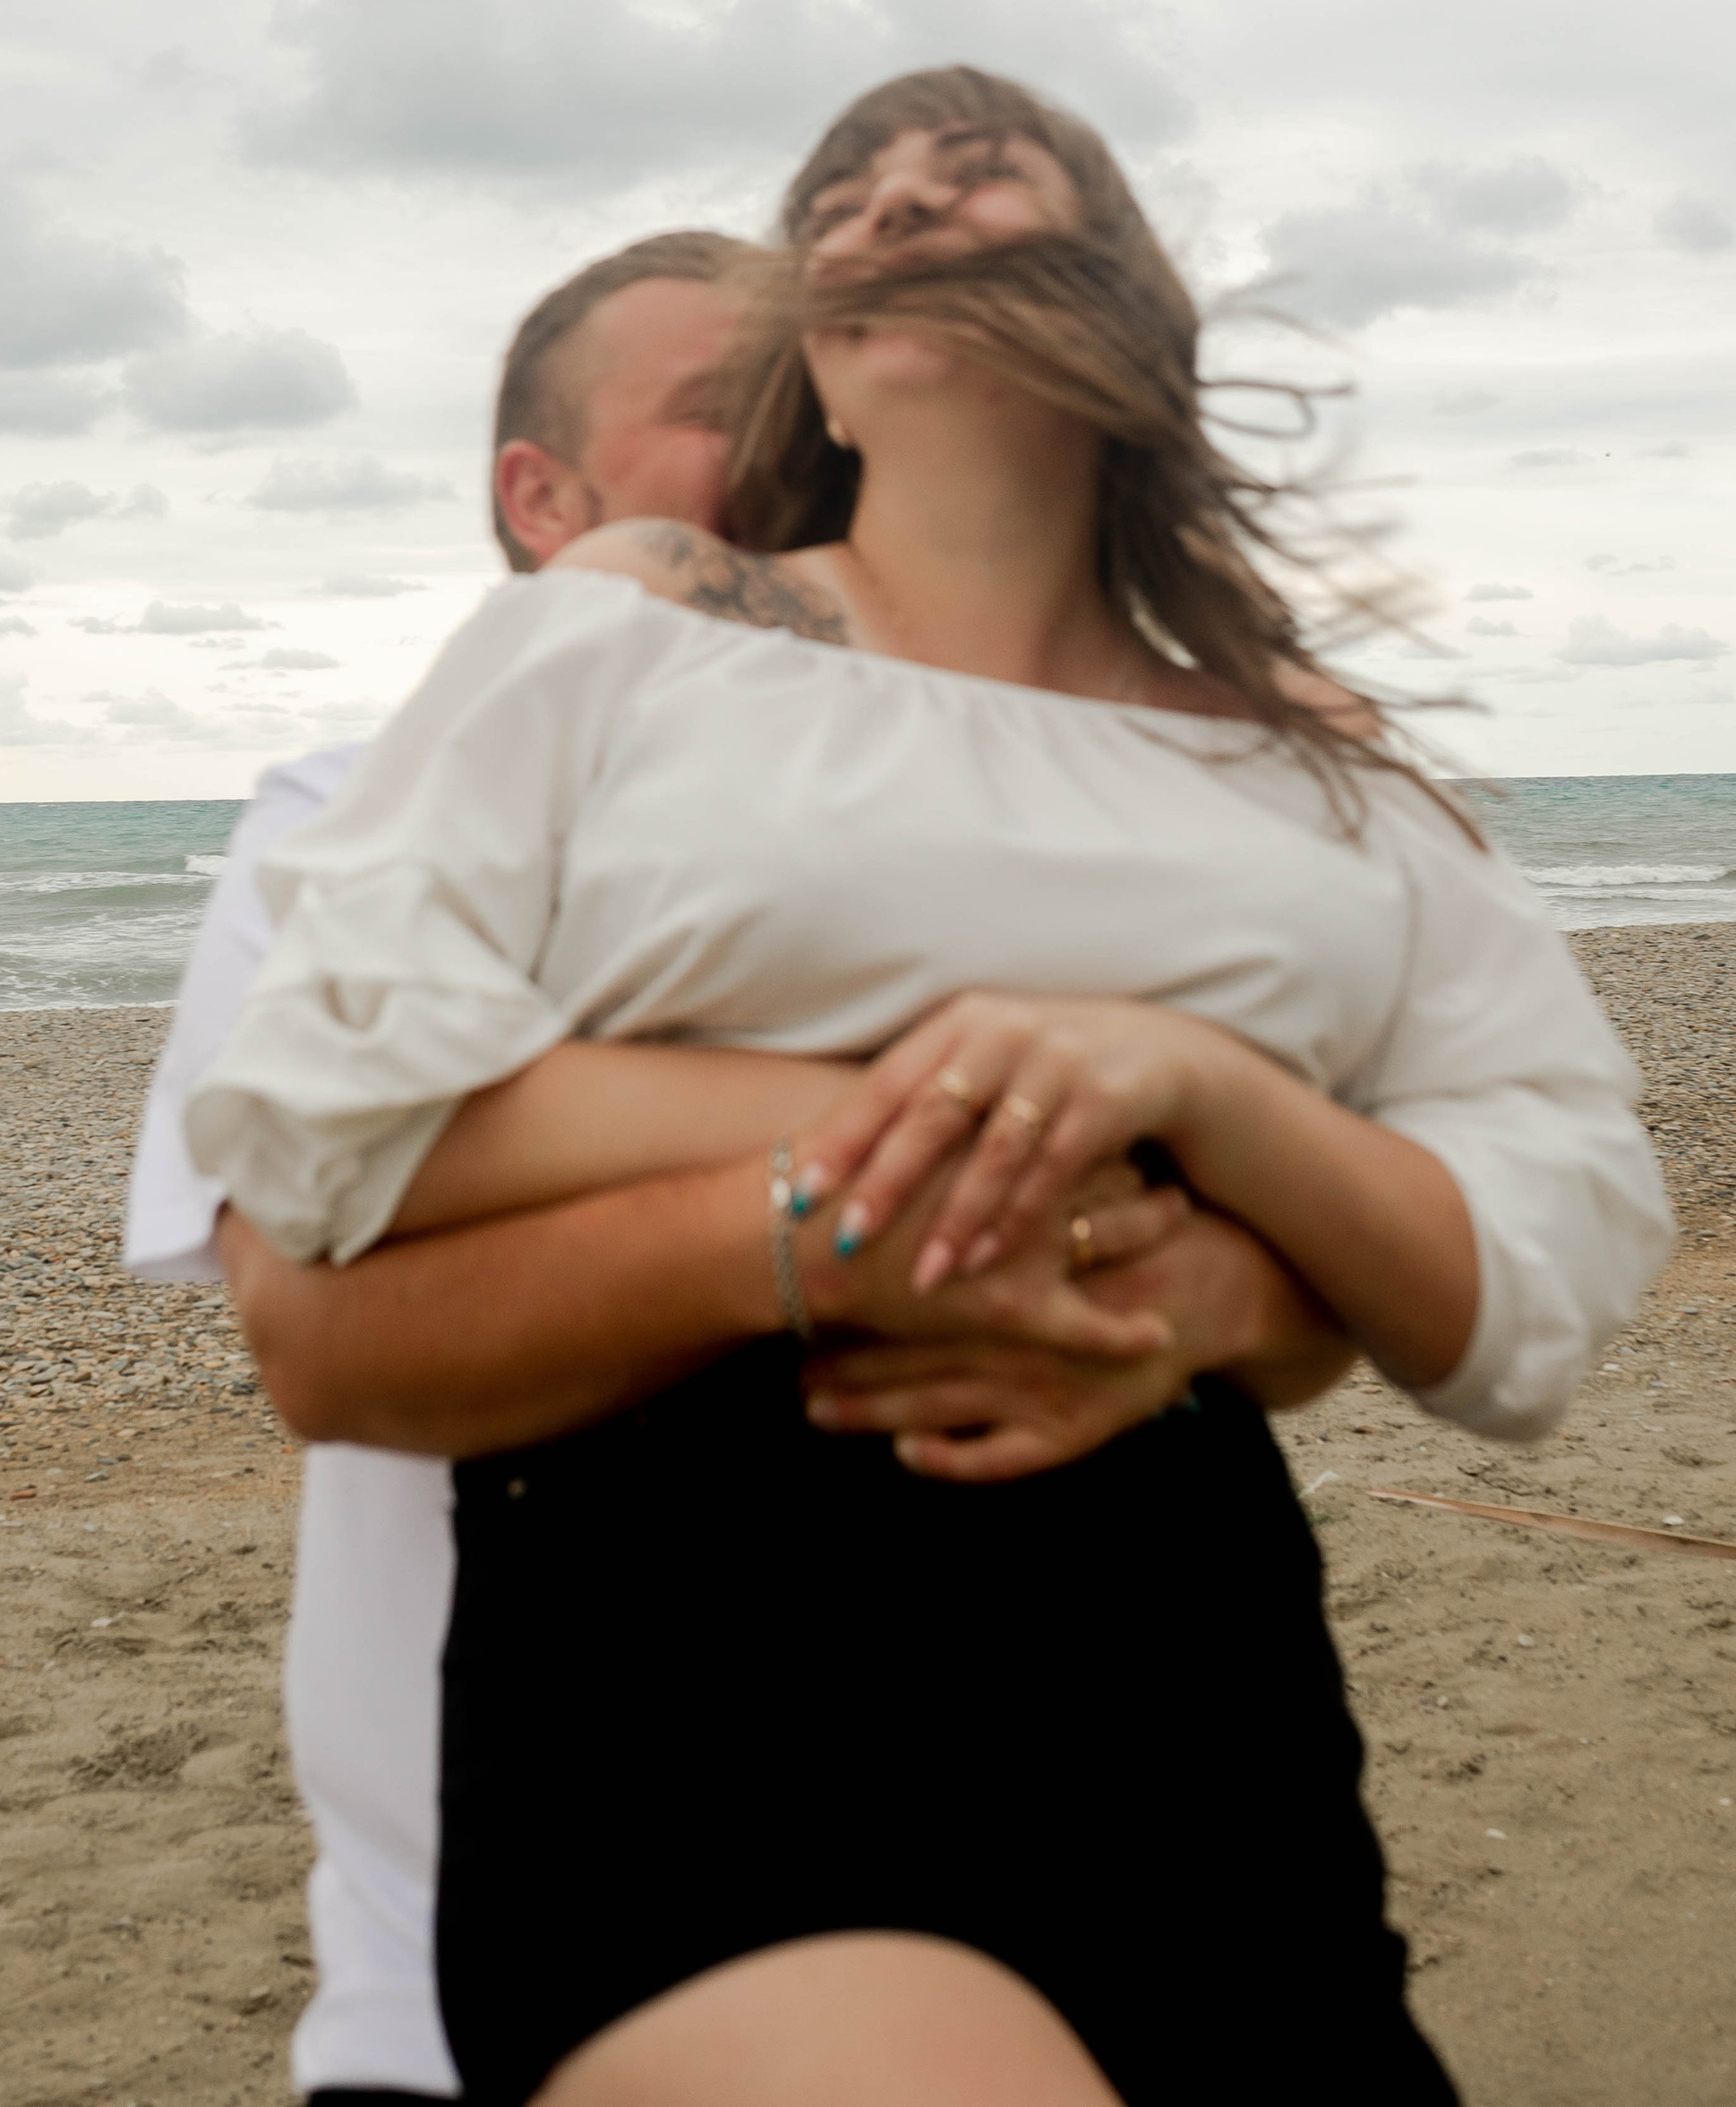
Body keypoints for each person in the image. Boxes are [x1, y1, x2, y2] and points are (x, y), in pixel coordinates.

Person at [190, 67, 1672, 2107]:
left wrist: (1203, 1104)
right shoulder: (635, 628)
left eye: (968, 178)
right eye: (846, 196)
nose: (888, 208)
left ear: (1124, 311)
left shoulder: (1296, 750)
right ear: (823, 370)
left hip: (1186, 1648)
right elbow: (334, 1109)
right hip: (704, 1623)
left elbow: (1545, 1232)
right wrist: (1024, 1132)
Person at [127, 221, 1341, 2107]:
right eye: (726, 407)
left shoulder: (1053, 793)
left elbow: (1310, 1272)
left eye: (824, 404)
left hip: (1143, 1846)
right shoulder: (363, 818)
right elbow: (315, 1342)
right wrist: (841, 1210)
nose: (807, 449)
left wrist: (1221, 1255)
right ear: (545, 499)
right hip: (521, 1945)